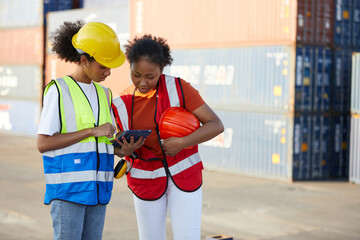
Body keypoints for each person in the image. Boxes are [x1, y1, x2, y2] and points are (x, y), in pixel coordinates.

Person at [37, 21, 143, 240]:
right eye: (103, 66)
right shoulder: (58, 90)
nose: (108, 72)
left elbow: (99, 144)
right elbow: (43, 143)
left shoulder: (104, 94)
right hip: (69, 192)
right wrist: (91, 131)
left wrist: (120, 150)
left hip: (99, 192)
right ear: (84, 60)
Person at [112, 34, 224, 240]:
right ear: (129, 67)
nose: (142, 82)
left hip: (185, 176)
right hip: (145, 181)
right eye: (136, 75)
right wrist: (123, 151)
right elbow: (116, 147)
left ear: (162, 69)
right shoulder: (120, 103)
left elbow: (216, 125)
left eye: (150, 76)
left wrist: (183, 142)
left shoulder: (181, 89)